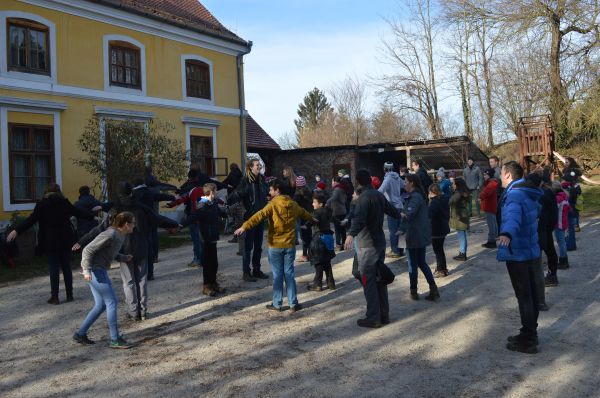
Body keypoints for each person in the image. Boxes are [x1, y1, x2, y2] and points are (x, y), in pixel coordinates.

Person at [77, 182, 179, 321]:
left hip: (124, 250)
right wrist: (175, 223)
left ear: (119, 195)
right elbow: (158, 219)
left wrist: (82, 240)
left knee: (128, 282)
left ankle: (133, 312)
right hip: (142, 248)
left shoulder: (115, 211)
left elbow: (99, 229)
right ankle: (143, 312)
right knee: (142, 281)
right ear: (132, 193)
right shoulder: (142, 207)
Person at [7, 183, 98, 304]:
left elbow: (31, 220)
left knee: (54, 268)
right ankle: (69, 294)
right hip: (66, 239)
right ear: (59, 191)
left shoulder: (42, 204)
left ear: (46, 192)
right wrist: (93, 218)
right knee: (66, 266)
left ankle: (54, 297)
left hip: (50, 240)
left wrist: (17, 230)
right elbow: (79, 213)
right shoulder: (64, 202)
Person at [234, 179, 313, 312]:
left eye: (271, 190)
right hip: (289, 245)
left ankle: (277, 304)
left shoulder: (272, 204)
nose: (269, 192)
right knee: (289, 273)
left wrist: (244, 226)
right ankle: (293, 303)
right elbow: (305, 213)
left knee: (277, 275)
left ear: (277, 191)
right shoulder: (293, 204)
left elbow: (258, 216)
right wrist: (314, 219)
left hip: (276, 245)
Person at [497, 161, 543, 354]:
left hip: (518, 252)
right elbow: (534, 214)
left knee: (524, 295)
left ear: (508, 175)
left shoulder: (514, 194)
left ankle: (529, 339)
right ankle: (529, 332)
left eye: (501, 173)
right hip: (529, 249)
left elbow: (513, 217)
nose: (499, 176)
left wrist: (507, 233)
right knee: (530, 294)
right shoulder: (526, 192)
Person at [345, 169, 400, 328]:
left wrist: (350, 234)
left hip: (367, 246)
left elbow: (359, 219)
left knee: (368, 281)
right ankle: (384, 315)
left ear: (358, 182)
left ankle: (373, 317)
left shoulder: (363, 199)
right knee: (379, 279)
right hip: (379, 244)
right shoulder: (378, 195)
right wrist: (401, 215)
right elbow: (391, 210)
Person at [72, 211, 135, 349]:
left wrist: (123, 257)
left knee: (101, 305)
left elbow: (108, 252)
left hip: (98, 270)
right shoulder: (110, 234)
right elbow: (87, 250)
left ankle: (80, 334)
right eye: (133, 223)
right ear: (126, 224)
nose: (134, 226)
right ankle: (114, 339)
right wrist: (87, 270)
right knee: (112, 302)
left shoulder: (119, 235)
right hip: (94, 271)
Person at [228, 158, 270, 282]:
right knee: (248, 247)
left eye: (260, 165)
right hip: (249, 218)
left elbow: (267, 192)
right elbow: (233, 196)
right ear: (250, 167)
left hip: (260, 217)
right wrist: (241, 195)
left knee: (258, 246)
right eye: (257, 165)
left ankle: (257, 270)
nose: (259, 167)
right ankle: (246, 273)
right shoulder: (245, 181)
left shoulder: (262, 180)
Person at [183, 183, 227, 297]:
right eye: (215, 191)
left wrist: (230, 211)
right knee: (207, 263)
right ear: (211, 192)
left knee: (214, 263)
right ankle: (206, 286)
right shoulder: (202, 205)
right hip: (206, 238)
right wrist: (180, 225)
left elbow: (221, 212)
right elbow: (193, 217)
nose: (216, 193)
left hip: (213, 237)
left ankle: (213, 283)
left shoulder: (213, 203)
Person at [402, 175, 439, 301]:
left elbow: (408, 214)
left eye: (405, 182)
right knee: (421, 262)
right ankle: (433, 289)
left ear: (411, 183)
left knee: (413, 264)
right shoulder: (416, 196)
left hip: (414, 235)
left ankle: (414, 291)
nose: (404, 184)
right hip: (417, 234)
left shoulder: (415, 197)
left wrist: (396, 211)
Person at [132, 177, 175, 280]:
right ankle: (150, 273)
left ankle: (137, 273)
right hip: (149, 222)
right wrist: (172, 197)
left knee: (135, 247)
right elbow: (160, 196)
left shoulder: (132, 194)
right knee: (149, 246)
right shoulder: (148, 192)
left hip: (135, 224)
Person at [307, 192, 336, 291]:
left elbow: (314, 220)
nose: (312, 204)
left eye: (314, 202)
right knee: (327, 261)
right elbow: (334, 219)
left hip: (319, 239)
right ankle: (331, 283)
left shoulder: (317, 212)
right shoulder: (328, 211)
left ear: (321, 204)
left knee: (318, 262)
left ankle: (318, 284)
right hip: (328, 238)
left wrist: (306, 225)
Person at [378, 162, 405, 258]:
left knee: (393, 230)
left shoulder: (388, 178)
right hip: (400, 205)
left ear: (385, 168)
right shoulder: (397, 177)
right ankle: (401, 250)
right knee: (400, 229)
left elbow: (380, 191)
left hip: (392, 206)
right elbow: (404, 186)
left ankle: (395, 251)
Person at [428, 184, 450, 277]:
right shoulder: (444, 199)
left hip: (436, 229)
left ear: (432, 192)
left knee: (438, 250)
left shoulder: (435, 202)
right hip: (443, 227)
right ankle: (442, 267)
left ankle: (441, 269)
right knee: (440, 249)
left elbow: (429, 214)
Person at [449, 177, 470, 261]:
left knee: (461, 236)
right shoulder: (463, 192)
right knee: (462, 235)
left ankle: (462, 254)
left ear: (458, 185)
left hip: (460, 217)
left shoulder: (458, 193)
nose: (452, 185)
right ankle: (462, 252)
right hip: (462, 216)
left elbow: (450, 201)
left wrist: (452, 193)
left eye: (454, 184)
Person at [294, 176, 313, 262]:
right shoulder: (309, 192)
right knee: (309, 235)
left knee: (304, 237)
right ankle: (310, 254)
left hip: (301, 217)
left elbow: (294, 206)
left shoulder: (297, 195)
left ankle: (305, 255)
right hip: (309, 215)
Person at [552, 181, 570, 270]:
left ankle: (563, 261)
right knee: (562, 241)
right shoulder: (565, 196)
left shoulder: (558, 198)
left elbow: (554, 209)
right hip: (564, 221)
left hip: (559, 222)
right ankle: (564, 260)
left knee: (561, 242)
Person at [327, 176, 347, 251]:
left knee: (338, 230)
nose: (331, 183)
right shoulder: (342, 188)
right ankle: (344, 244)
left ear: (335, 182)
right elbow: (344, 200)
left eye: (332, 181)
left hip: (337, 212)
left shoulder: (337, 189)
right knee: (342, 229)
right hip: (343, 210)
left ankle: (338, 245)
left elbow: (334, 198)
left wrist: (327, 202)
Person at [480, 169, 499, 248]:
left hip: (490, 207)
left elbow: (484, 193)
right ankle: (493, 239)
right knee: (493, 224)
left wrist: (480, 195)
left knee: (491, 225)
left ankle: (492, 241)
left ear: (490, 175)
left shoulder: (492, 183)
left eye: (486, 175)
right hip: (491, 206)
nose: (484, 176)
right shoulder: (491, 183)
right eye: (484, 175)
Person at [562, 157, 582, 231]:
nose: (565, 163)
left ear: (571, 162)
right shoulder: (566, 170)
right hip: (569, 190)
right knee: (571, 206)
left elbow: (568, 178)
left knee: (574, 207)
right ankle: (573, 224)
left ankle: (575, 225)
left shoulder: (573, 170)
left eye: (567, 162)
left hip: (574, 190)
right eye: (565, 162)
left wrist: (563, 177)